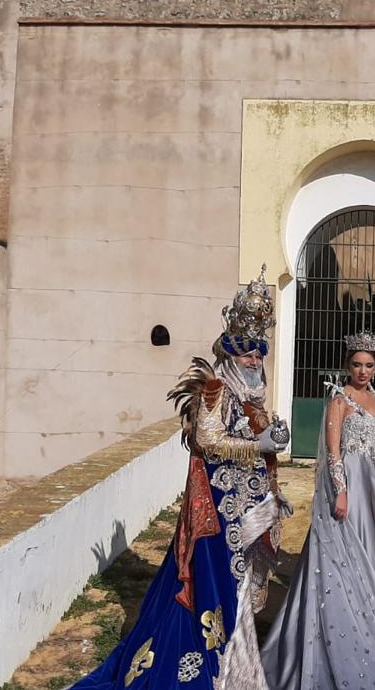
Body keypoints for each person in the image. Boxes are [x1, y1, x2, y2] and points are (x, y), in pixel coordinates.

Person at [73, 266, 290, 690]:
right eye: (248, 353)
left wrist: (272, 446)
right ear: (231, 353)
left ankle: (238, 666)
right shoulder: (217, 390)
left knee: (240, 587)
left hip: (247, 509)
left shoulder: (250, 395)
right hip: (220, 512)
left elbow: (252, 441)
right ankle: (219, 668)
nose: (255, 359)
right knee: (219, 587)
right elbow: (209, 442)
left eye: (259, 352)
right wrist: (260, 445)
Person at [261, 330, 375, 689]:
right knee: (346, 550)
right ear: (347, 366)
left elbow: (373, 445)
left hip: (374, 482)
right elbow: (333, 453)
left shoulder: (374, 396)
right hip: (350, 483)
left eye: (369, 365)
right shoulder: (338, 400)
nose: (363, 371)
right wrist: (341, 493)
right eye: (357, 365)